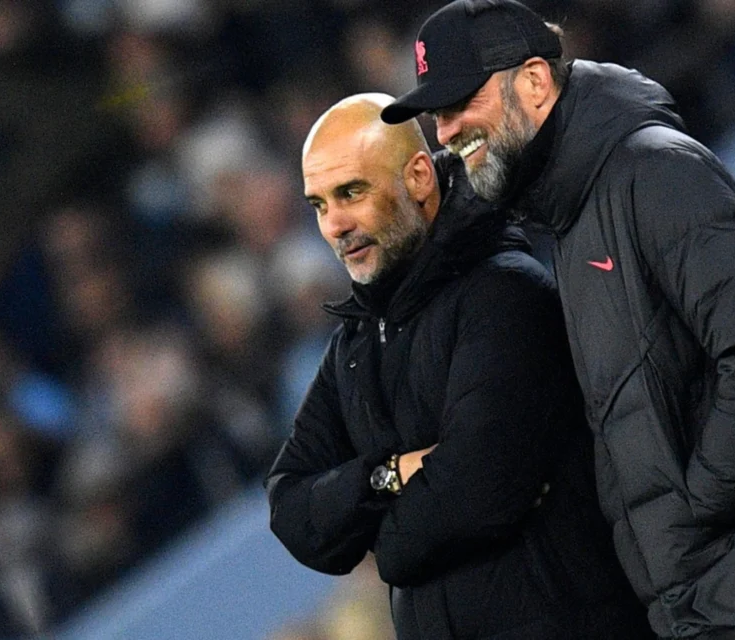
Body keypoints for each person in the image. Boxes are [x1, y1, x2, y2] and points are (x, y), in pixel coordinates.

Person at [380, 2, 735, 638]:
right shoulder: (573, 214)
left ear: (536, 82)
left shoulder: (651, 171)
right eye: (435, 114)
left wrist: (691, 514)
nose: (445, 130)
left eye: (461, 102)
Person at [265, 93, 652, 640]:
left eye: (351, 192)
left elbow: (478, 492)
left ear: (420, 176)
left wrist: (384, 546)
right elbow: (289, 509)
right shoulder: (353, 345)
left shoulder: (505, 292)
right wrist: (389, 474)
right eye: (320, 205)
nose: (335, 225)